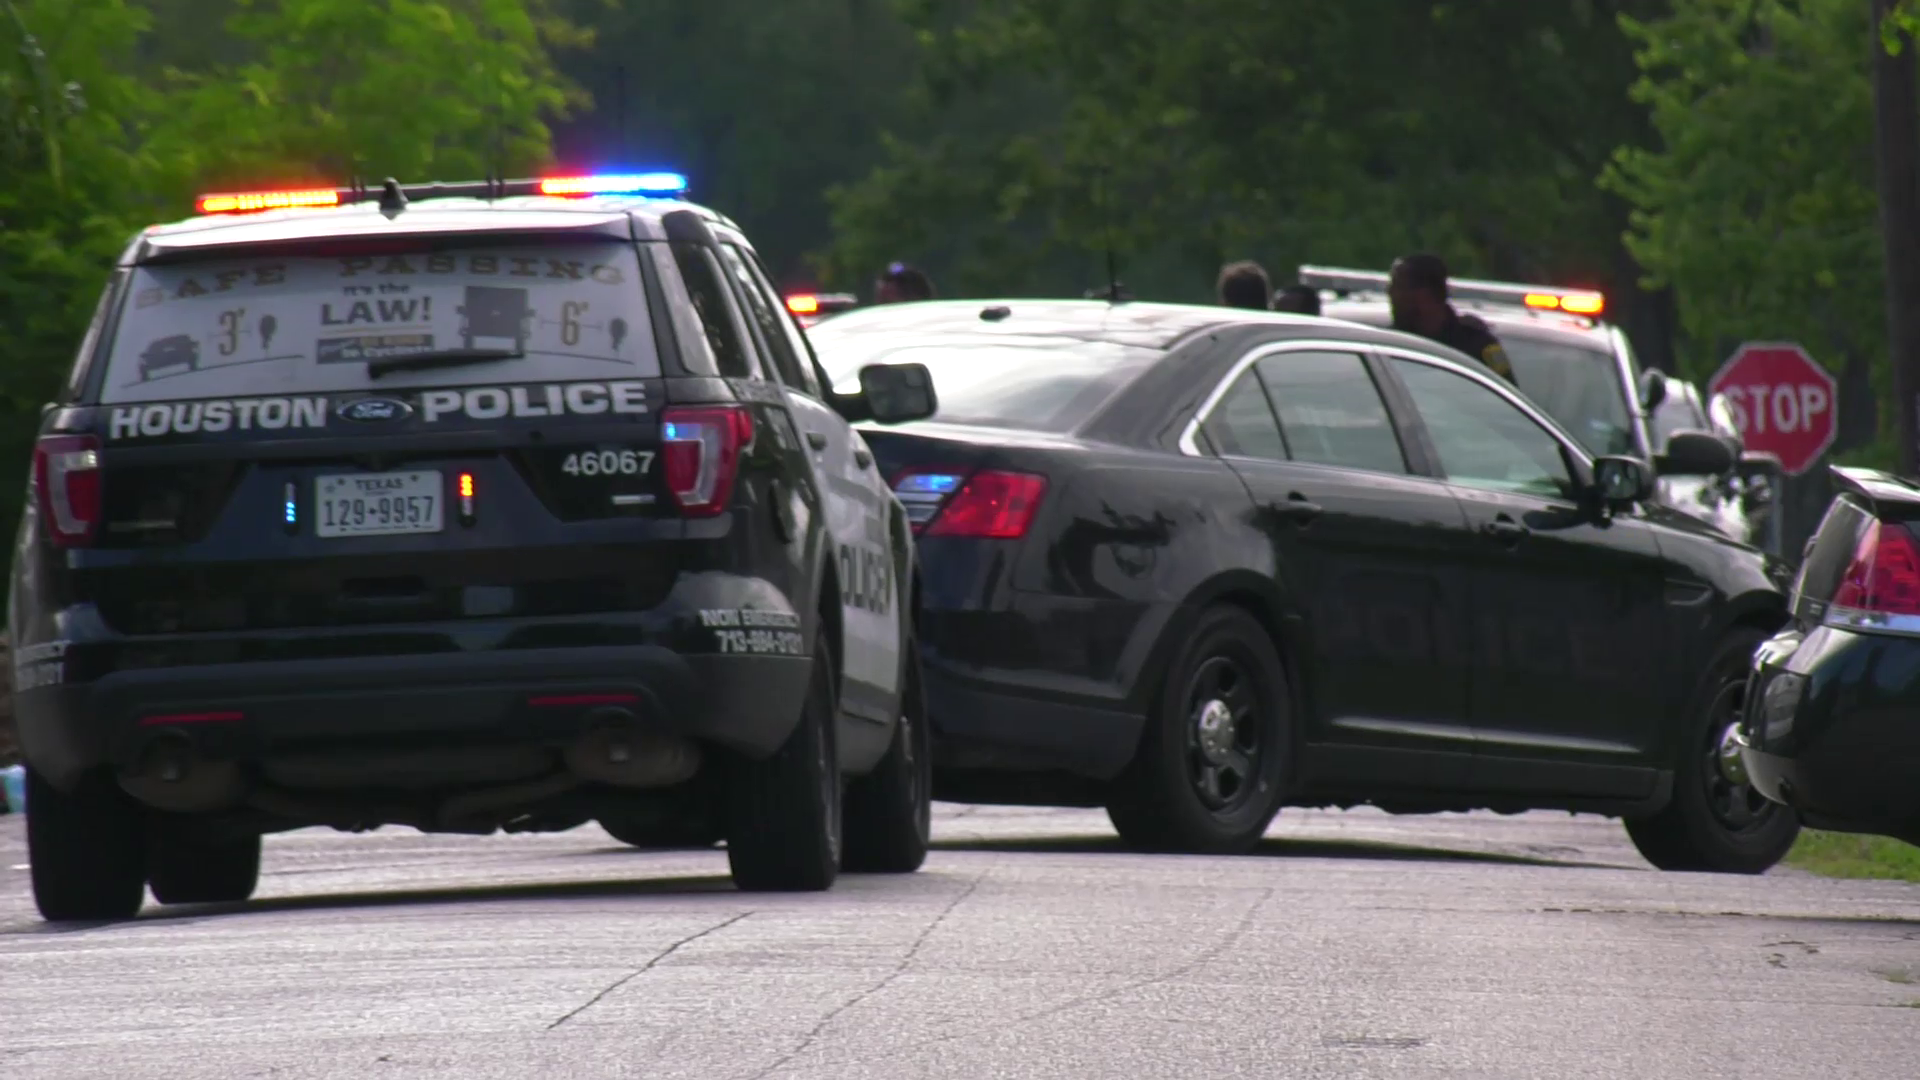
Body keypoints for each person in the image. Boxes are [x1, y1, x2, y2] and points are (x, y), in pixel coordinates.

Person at [1387, 253, 1515, 383]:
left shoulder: (1479, 345)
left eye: (1398, 287)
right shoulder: (1391, 344)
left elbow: (1505, 394)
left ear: (1424, 294)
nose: (1390, 294)